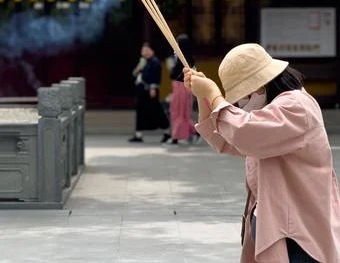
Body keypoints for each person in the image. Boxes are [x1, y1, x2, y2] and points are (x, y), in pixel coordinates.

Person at [183, 43, 340, 263]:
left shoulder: (296, 106)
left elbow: (242, 131)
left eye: (241, 97)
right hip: (274, 219)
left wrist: (212, 93)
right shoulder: (272, 108)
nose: (239, 104)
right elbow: (224, 139)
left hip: (299, 229)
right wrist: (203, 97)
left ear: (259, 88)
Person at [129, 42, 170, 143]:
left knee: (156, 111)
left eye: (147, 50)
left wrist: (153, 88)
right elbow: (135, 74)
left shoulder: (155, 62)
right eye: (143, 50)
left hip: (150, 91)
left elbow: (156, 77)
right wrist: (139, 68)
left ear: (152, 51)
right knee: (140, 112)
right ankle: (138, 135)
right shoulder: (143, 62)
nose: (144, 52)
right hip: (141, 91)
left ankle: (167, 132)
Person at [167, 34, 196, 144]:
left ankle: (176, 136)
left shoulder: (183, 58)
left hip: (181, 85)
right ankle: (193, 131)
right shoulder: (186, 56)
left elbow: (175, 73)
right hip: (181, 85)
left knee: (179, 111)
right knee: (181, 111)